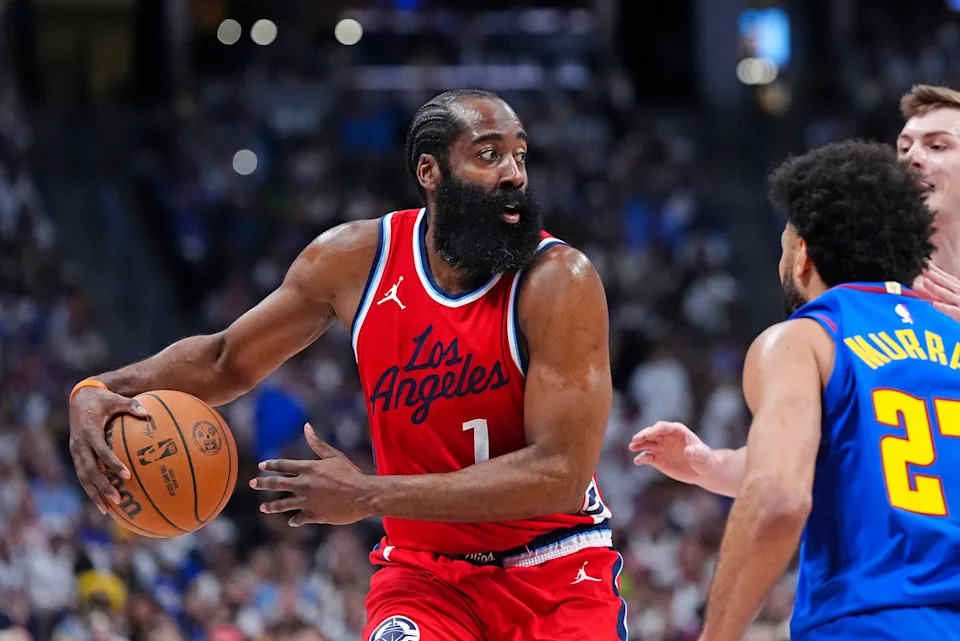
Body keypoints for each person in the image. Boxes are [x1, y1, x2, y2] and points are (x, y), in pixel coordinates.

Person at [67, 90, 626, 640]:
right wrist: (98, 388)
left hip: (554, 571)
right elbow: (224, 360)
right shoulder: (355, 260)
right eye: (488, 154)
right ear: (429, 172)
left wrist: (368, 495)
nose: (514, 174)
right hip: (425, 576)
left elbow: (560, 475)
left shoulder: (559, 282)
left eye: (520, 155)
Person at [685, 140, 960, 640]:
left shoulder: (802, 338)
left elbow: (779, 498)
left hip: (870, 623)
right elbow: (866, 452)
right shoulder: (954, 335)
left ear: (803, 255)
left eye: (784, 245)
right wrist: (714, 465)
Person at [630, 83, 960, 497]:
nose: (912, 158)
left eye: (936, 146)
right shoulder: (864, 289)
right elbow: (810, 448)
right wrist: (712, 465)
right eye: (904, 146)